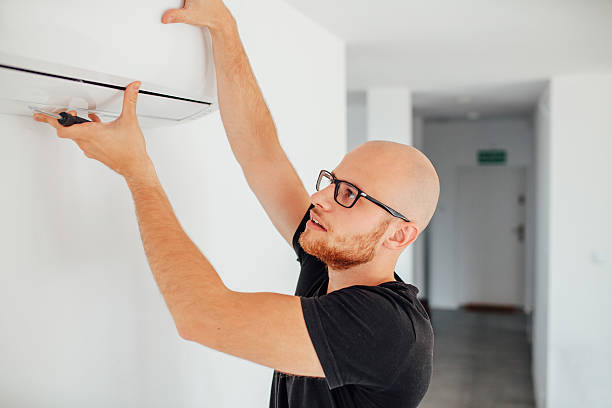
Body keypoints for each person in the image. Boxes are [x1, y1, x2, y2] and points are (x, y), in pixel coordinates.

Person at [33, 0, 440, 406]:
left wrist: (137, 172)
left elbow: (203, 316)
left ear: (400, 233)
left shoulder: (388, 331)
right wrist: (225, 30)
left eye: (349, 194)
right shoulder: (331, 262)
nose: (318, 198)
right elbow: (261, 154)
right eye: (331, 182)